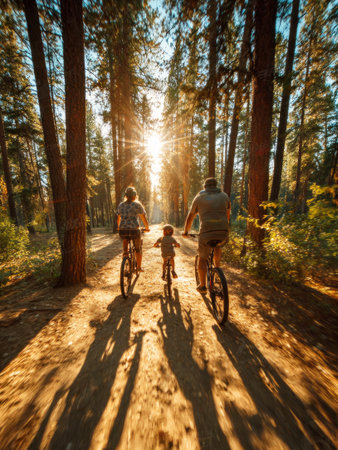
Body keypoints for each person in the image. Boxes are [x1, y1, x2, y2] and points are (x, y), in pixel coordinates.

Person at [183, 177, 230, 294]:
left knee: (202, 258)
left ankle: (203, 286)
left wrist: (185, 232)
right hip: (223, 231)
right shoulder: (224, 196)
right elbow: (227, 214)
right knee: (217, 245)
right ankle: (217, 269)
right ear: (216, 186)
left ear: (205, 187)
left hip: (206, 232)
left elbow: (190, 217)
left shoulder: (199, 197)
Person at [117, 186, 150, 272]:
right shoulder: (137, 205)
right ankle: (138, 267)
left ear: (126, 196)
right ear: (134, 196)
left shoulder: (121, 205)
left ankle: (125, 253)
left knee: (125, 237)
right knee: (138, 249)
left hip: (122, 230)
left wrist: (119, 227)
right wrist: (147, 227)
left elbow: (119, 218)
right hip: (134, 230)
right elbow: (143, 217)